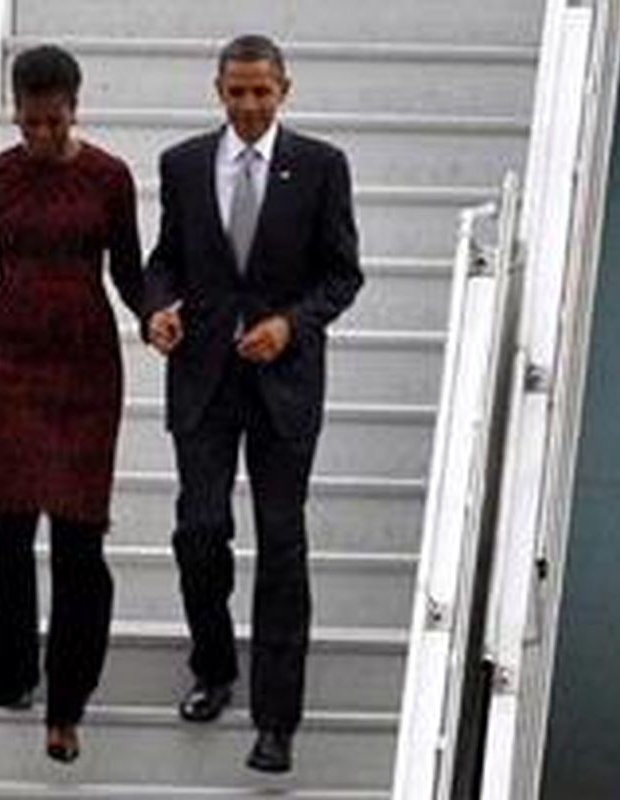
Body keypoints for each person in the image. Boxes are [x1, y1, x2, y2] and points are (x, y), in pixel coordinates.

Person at [0, 45, 143, 763]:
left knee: (79, 541)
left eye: (54, 121)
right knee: (7, 536)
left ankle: (66, 705)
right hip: (5, 364)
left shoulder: (110, 178)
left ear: (76, 106)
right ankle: (8, 679)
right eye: (29, 122)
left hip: (85, 368)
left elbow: (133, 276)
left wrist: (163, 317)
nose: (41, 135)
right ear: (15, 110)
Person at [143, 34, 362, 773]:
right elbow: (164, 256)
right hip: (203, 375)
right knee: (199, 531)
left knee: (280, 544)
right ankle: (213, 665)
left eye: (261, 91)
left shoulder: (323, 167)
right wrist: (158, 307)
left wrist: (288, 325)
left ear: (284, 90)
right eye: (236, 92)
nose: (248, 105)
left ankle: (276, 720)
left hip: (283, 382)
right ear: (218, 91)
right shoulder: (181, 164)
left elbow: (343, 276)